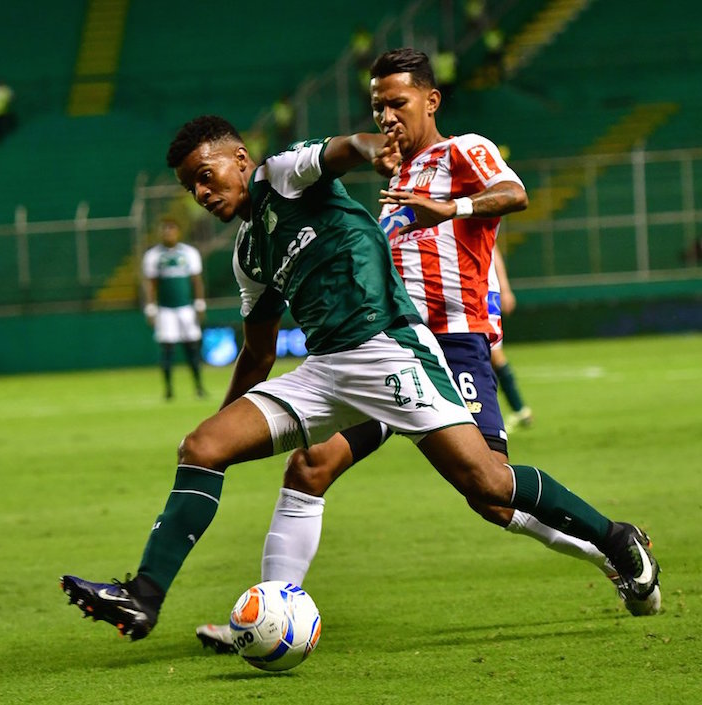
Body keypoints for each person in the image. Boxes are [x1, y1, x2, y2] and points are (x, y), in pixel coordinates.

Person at [60, 113, 660, 642]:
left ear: (239, 159)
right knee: (202, 447)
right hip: (324, 373)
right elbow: (257, 352)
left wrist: (378, 152)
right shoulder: (249, 253)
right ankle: (143, 597)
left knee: (489, 485)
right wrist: (225, 417)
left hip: (390, 352)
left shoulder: (281, 175)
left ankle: (614, 538)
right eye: (190, 185)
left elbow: (348, 147)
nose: (200, 190)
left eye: (206, 173)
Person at [141, 217, 207, 399]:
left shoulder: (189, 253)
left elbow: (196, 280)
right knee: (167, 349)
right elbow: (151, 284)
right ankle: (169, 390)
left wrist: (200, 303)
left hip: (186, 308)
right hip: (165, 310)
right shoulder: (153, 256)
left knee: (192, 347)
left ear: (178, 232)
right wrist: (150, 307)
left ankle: (199, 386)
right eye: (165, 230)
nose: (168, 233)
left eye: (171, 229)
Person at [489, 247, 533, 433]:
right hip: (469, 294)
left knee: (493, 354)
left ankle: (516, 409)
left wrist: (505, 289)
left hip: (482, 295)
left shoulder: (470, 222)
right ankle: (519, 409)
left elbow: (494, 251)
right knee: (492, 355)